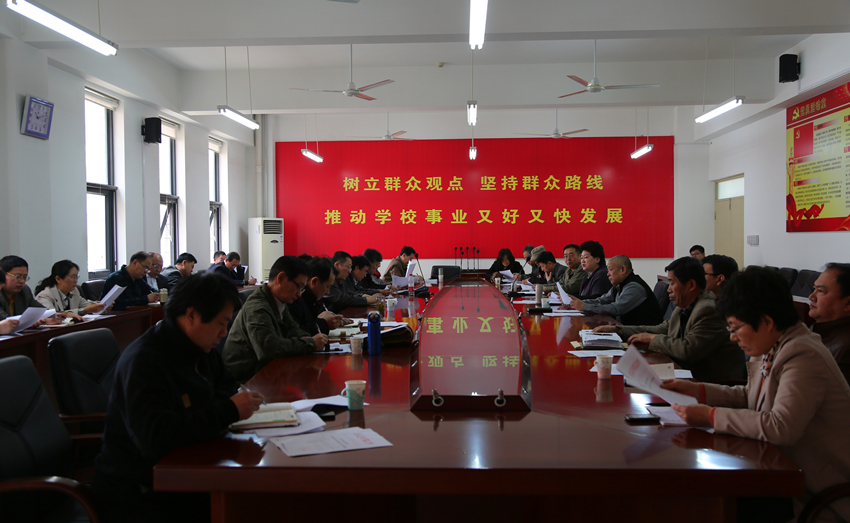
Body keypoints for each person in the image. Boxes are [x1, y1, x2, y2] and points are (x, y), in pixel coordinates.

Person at [662, 266, 850, 523]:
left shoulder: (803, 354)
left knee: (701, 504)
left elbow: (780, 426)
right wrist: (700, 390)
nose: (732, 337)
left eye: (735, 327)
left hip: (814, 495)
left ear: (766, 321)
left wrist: (710, 416)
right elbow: (752, 396)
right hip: (779, 474)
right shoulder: (773, 341)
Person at [91, 273, 264, 523]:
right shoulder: (145, 360)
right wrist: (227, 411)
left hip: (190, 468)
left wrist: (214, 409)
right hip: (140, 492)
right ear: (192, 315)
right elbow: (155, 438)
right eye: (221, 323)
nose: (224, 333)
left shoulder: (200, 346)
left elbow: (226, 384)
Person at [599, 257, 745, 383]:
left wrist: (652, 339)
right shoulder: (685, 304)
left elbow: (688, 349)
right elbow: (662, 329)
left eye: (672, 283)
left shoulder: (708, 309)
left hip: (709, 382)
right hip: (685, 374)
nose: (668, 289)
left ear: (691, 285)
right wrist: (619, 330)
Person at [223, 255, 326, 383]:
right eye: (298, 287)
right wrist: (310, 343)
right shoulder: (257, 307)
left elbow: (293, 328)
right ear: (281, 278)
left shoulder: (277, 301)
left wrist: (305, 338)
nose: (299, 294)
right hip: (246, 381)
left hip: (268, 375)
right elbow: (269, 350)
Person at [569, 255, 661, 326]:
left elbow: (616, 308)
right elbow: (602, 300)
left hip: (642, 334)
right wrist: (577, 304)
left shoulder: (634, 287)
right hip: (627, 328)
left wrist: (585, 306)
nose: (608, 274)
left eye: (610, 270)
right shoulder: (619, 284)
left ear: (622, 269)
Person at [809, 263, 850, 384]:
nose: (811, 297)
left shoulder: (845, 350)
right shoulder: (817, 331)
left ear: (848, 303)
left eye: (820, 291)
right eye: (814, 289)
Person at [289, 257, 343, 336]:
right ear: (314, 282)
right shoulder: (295, 299)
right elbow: (295, 333)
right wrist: (323, 324)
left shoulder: (312, 299)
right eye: (327, 287)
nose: (328, 292)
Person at [34, 259, 107, 315]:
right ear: (58, 279)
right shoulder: (45, 295)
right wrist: (85, 310)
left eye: (77, 276)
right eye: (72, 277)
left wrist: (101, 306)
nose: (76, 281)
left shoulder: (74, 291)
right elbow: (53, 316)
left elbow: (85, 305)